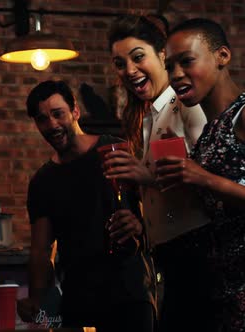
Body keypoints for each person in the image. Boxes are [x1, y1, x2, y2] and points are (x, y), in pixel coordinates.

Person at [17, 80, 156, 332]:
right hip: (80, 299)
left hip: (129, 292)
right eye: (42, 119)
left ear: (75, 112)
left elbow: (154, 202)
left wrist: (140, 223)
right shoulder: (43, 181)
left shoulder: (112, 149)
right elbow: (41, 249)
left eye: (58, 114)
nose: (52, 125)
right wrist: (37, 298)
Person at [107, 14, 210, 329]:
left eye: (138, 57)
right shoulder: (149, 117)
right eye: (120, 63)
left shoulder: (187, 105)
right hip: (167, 260)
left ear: (162, 55)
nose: (129, 70)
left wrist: (145, 176)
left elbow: (213, 181)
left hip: (200, 256)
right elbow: (170, 195)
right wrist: (139, 222)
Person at [159, 18, 245, 332]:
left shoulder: (243, 114)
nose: (176, 74)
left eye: (187, 61)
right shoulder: (208, 134)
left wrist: (204, 178)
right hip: (217, 300)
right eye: (169, 66)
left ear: (223, 56)